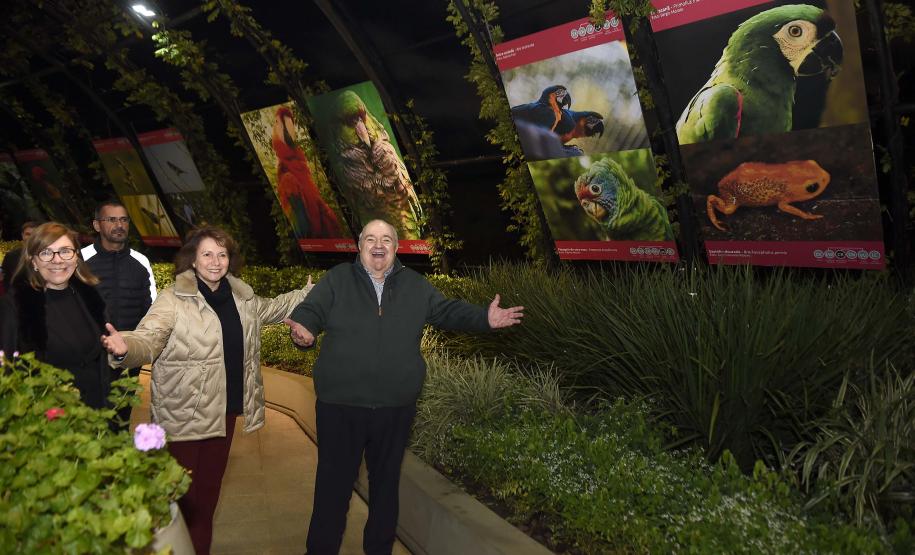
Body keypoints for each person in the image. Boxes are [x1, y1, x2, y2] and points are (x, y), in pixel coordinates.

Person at [285, 219, 524, 555]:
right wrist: (304, 331)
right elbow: (311, 309)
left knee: (385, 490)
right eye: (371, 238)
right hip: (340, 408)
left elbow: (446, 310)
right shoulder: (338, 278)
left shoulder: (414, 284)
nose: (378, 245)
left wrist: (485, 318)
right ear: (360, 246)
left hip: (394, 409)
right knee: (332, 490)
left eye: (386, 239)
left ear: (396, 248)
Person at [101, 226, 313, 555]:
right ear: (193, 260)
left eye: (222, 254)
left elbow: (273, 308)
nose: (215, 261)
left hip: (224, 410)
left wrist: (307, 293)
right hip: (183, 414)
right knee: (183, 498)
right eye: (207, 254)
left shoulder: (242, 298)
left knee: (208, 494)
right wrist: (125, 347)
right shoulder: (173, 299)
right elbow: (148, 338)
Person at [0, 222, 111, 409]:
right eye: (46, 253)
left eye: (65, 251)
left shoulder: (91, 298)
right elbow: (7, 373)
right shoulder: (15, 307)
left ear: (76, 256)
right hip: (46, 418)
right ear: (33, 261)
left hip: (94, 414)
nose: (57, 260)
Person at [81, 200, 156, 428]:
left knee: (120, 419)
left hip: (127, 356)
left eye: (123, 219)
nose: (119, 225)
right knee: (88, 419)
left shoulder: (141, 262)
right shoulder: (79, 259)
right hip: (89, 357)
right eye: (111, 219)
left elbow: (151, 310)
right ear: (97, 225)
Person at [1, 221, 39, 293]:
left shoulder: (46, 255)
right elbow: (6, 280)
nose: (30, 237)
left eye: (34, 235)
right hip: (17, 296)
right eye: (28, 234)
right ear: (22, 235)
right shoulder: (11, 256)